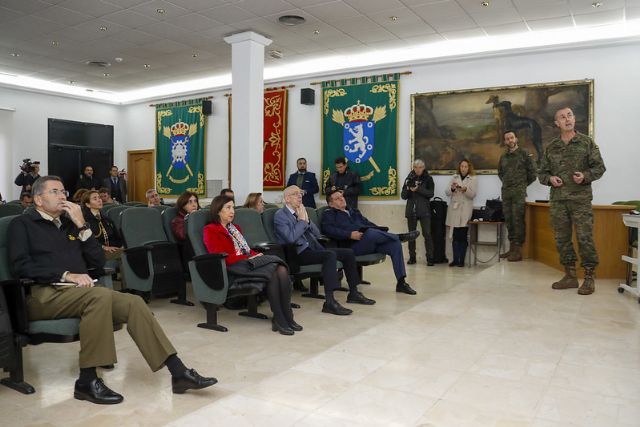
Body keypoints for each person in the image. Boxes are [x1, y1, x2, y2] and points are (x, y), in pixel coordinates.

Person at [7, 176, 216, 405]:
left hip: (79, 293)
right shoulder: (22, 224)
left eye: (63, 191)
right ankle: (87, 380)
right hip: (42, 293)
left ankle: (178, 373)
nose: (62, 196)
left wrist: (82, 226)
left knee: (133, 303)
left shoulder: (70, 224)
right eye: (55, 191)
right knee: (99, 296)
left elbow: (98, 261)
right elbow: (20, 266)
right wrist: (66, 275)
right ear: (38, 199)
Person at [203, 195, 301, 335]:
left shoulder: (235, 228)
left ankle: (285, 316)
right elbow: (220, 257)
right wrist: (249, 256)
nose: (232, 211)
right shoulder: (210, 230)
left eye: (233, 207)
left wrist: (254, 254)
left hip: (246, 262)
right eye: (228, 208)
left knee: (280, 268)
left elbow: (246, 249)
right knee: (275, 268)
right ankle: (281, 317)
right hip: (232, 267)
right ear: (218, 210)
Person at [274, 185, 373, 315]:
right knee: (329, 255)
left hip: (313, 248)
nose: (300, 196)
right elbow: (290, 238)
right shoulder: (280, 215)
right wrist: (302, 222)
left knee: (348, 253)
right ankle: (330, 301)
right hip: (297, 253)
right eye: (295, 194)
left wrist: (307, 220)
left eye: (301, 193)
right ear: (287, 199)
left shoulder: (301, 211)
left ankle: (353, 292)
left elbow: (317, 233)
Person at [538, 107, 606, 295]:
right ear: (556, 123)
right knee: (562, 239)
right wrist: (550, 179)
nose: (567, 119)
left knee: (585, 238)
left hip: (581, 200)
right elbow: (541, 173)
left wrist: (584, 176)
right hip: (559, 202)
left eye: (570, 115)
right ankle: (570, 276)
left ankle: (589, 277)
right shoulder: (551, 147)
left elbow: (600, 168)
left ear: (574, 119)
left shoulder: (586, 143)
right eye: (562, 117)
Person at [322, 190, 419, 295]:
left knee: (394, 245)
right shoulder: (329, 214)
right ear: (330, 204)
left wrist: (379, 231)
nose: (342, 199)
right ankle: (398, 236)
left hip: (368, 241)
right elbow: (328, 229)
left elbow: (368, 223)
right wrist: (349, 234)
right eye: (337, 198)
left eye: (342, 196)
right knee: (371, 233)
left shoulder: (353, 211)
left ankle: (401, 283)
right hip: (351, 246)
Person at [498, 130, 537, 262]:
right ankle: (511, 248)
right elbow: (500, 173)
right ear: (505, 141)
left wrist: (522, 184)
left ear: (516, 139)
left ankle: (518, 250)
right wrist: (507, 183)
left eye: (512, 138)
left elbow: (533, 173)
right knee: (509, 220)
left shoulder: (524, 153)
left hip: (518, 194)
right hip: (506, 193)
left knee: (518, 220)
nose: (510, 140)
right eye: (507, 139)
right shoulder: (503, 157)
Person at [401, 159, 435, 266]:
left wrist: (418, 189)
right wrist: (408, 188)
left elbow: (430, 193)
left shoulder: (428, 179)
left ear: (423, 168)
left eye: (420, 167)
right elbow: (403, 196)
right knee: (411, 235)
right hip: (411, 211)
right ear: (413, 168)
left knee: (427, 234)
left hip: (424, 211)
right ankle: (412, 258)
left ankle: (430, 258)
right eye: (416, 167)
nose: (418, 170)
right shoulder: (409, 179)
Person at [445, 158, 477, 267]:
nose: (463, 168)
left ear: (469, 168)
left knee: (462, 236)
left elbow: (473, 195)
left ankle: (461, 260)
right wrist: (453, 188)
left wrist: (465, 190)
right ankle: (455, 259)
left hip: (465, 210)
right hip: (454, 210)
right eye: (462, 166)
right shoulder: (454, 177)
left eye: (465, 166)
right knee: (455, 236)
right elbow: (447, 192)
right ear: (459, 167)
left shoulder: (473, 179)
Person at [81, 190, 123, 261]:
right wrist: (103, 247)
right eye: (95, 199)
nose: (99, 200)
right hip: (96, 253)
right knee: (126, 257)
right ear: (88, 204)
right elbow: (87, 242)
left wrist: (121, 246)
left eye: (99, 198)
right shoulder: (84, 221)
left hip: (113, 250)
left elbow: (117, 237)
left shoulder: (107, 219)